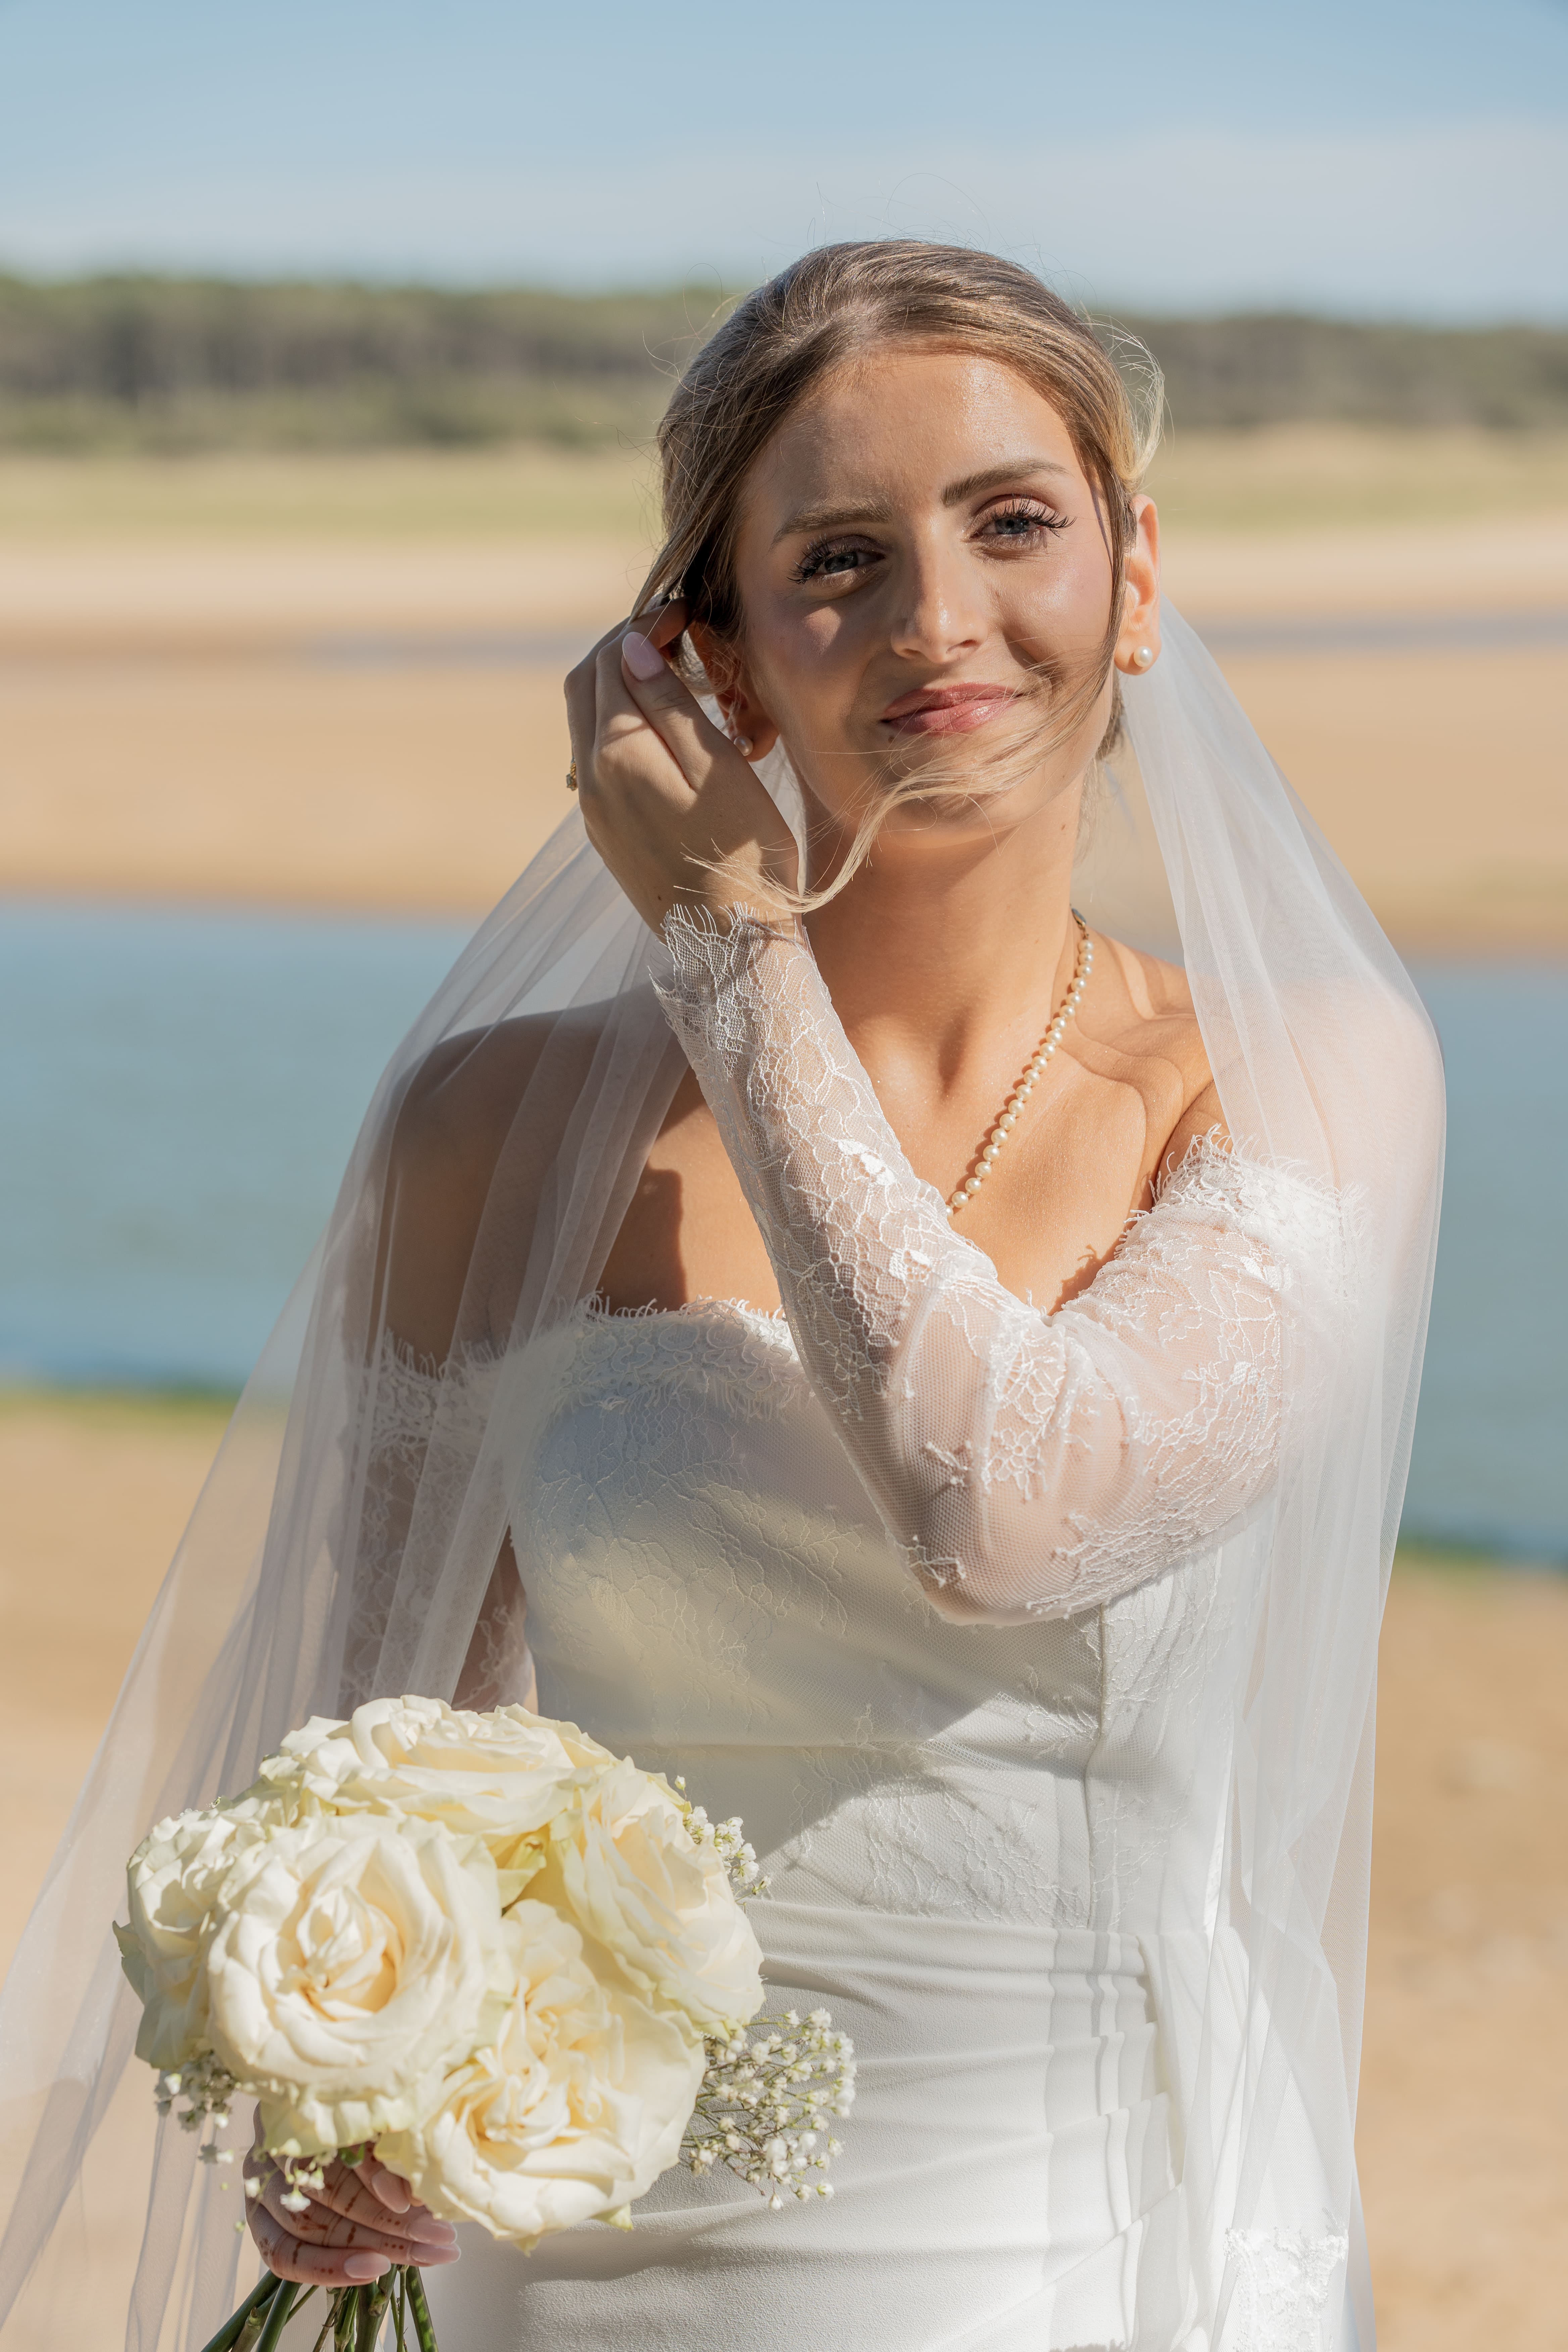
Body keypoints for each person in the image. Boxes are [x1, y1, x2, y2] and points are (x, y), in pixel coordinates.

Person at [0, 244, 1442, 2352]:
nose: (941, 616)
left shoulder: (1302, 1080)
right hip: (578, 2278)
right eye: (840, 559)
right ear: (717, 666)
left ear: (1136, 579)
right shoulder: (485, 1139)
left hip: (1082, 2271)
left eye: (1014, 523)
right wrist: (331, 2084)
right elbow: (380, 1738)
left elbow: (1009, 1514)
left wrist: (729, 953)